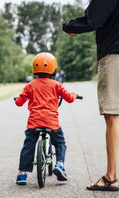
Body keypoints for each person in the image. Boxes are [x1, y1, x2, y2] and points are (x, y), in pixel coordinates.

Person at [63, 0, 119, 191]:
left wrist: (70, 26)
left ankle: (110, 178)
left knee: (113, 116)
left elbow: (94, 18)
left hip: (116, 55)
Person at [15, 52, 78, 185]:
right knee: (60, 142)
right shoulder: (56, 85)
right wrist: (74, 95)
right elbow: (69, 98)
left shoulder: (30, 85)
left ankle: (22, 174)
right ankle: (59, 164)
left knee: (28, 147)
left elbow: (19, 102)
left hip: (34, 123)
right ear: (54, 69)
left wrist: (18, 99)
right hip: (52, 123)